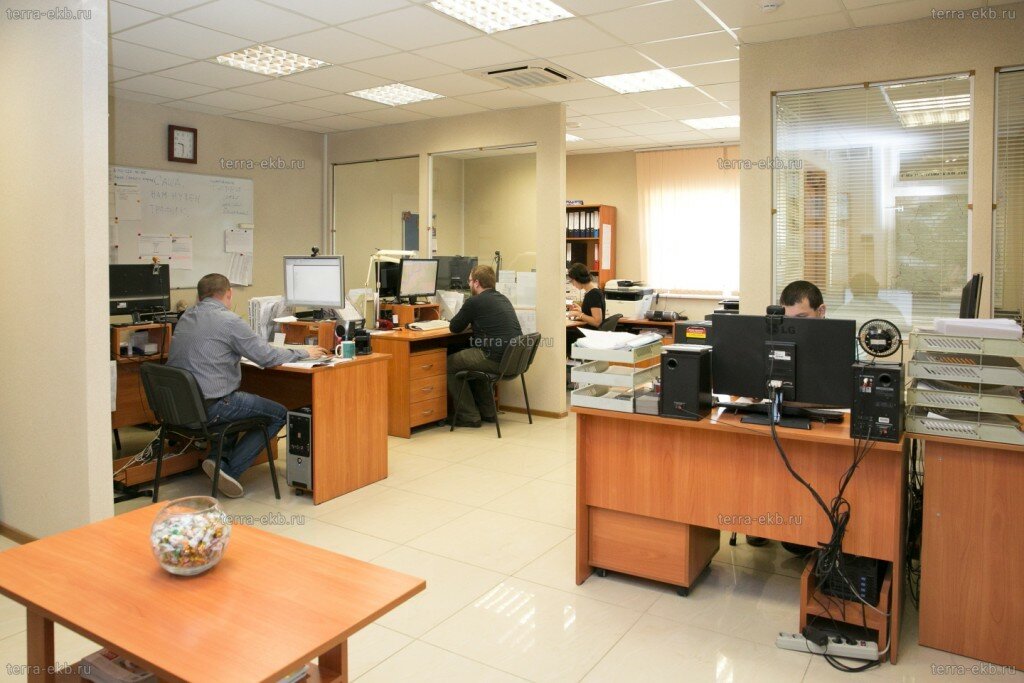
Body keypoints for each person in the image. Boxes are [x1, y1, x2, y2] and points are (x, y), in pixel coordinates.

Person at [167, 273, 328, 498]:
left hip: (180, 406)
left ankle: (217, 460)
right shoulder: (229, 321)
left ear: (199, 296)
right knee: (278, 413)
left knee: (237, 400)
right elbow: (266, 357)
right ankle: (229, 470)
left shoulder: (186, 316)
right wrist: (303, 352)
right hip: (211, 406)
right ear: (229, 293)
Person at [447, 265, 523, 428]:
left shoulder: (474, 301)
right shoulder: (503, 298)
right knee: (473, 361)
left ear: (476, 283)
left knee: (450, 363)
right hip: (512, 361)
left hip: (493, 359)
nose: (469, 284)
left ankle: (468, 416)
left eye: (469, 281)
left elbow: (454, 327)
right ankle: (488, 412)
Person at [566, 263, 606, 358]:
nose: (573, 284)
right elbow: (592, 313)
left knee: (564, 334)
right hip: (590, 332)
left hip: (591, 334)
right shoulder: (593, 291)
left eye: (572, 281)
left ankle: (566, 364)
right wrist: (580, 310)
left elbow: (597, 322)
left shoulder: (593, 294)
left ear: (578, 279)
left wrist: (579, 314)